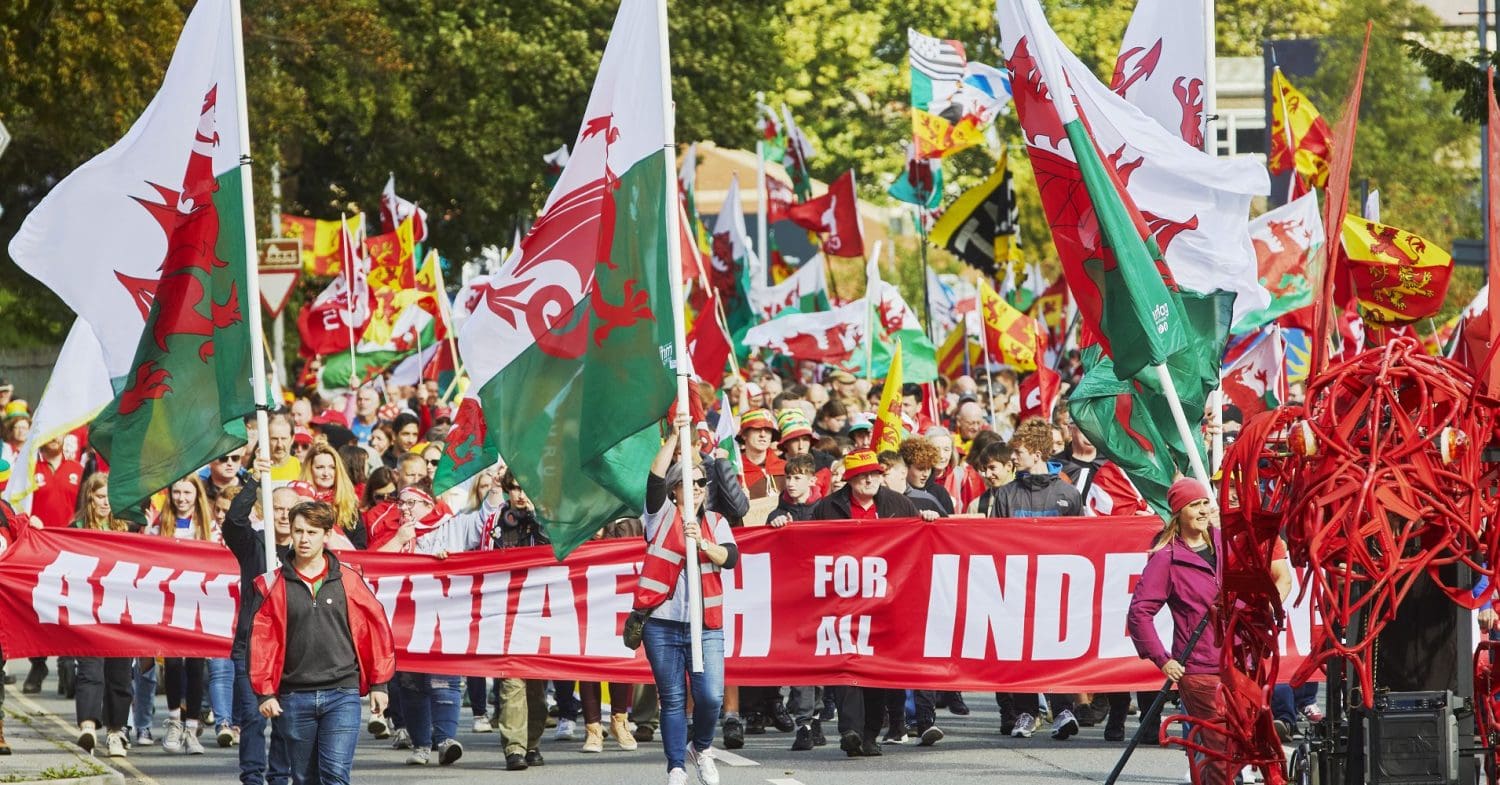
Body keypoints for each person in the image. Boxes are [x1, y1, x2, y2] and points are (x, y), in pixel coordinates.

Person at [252, 501, 395, 785]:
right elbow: (261, 642)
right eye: (298, 531)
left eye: (312, 532)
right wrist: (265, 692)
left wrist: (380, 685)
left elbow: (375, 630)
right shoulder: (270, 584)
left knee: (335, 774)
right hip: (294, 696)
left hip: (342, 693)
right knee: (305, 779)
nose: (304, 539)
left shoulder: (349, 580)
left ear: (326, 534)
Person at [629, 413, 737, 785]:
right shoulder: (659, 516)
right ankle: (676, 764)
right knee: (673, 698)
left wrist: (702, 543)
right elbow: (654, 479)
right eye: (688, 483)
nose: (696, 488)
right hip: (662, 622)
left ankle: (701, 746)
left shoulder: (717, 523)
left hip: (705, 625)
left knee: (710, 697)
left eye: (701, 483)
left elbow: (731, 557)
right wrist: (676, 436)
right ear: (676, 491)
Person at [808, 449, 924, 757]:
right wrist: (781, 522)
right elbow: (804, 544)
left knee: (875, 670)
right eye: (863, 475)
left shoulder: (899, 504)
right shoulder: (827, 508)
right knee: (846, 666)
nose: (870, 479)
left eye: (874, 473)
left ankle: (870, 734)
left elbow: (922, 542)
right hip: (842, 603)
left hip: (885, 604)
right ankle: (850, 730)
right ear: (850, 480)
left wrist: (928, 520)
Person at [1128, 479, 1229, 785]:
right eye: (1194, 505)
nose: (1202, 510)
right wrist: (1163, 659)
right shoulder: (1167, 558)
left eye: (1204, 503)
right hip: (1200, 668)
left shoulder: (1226, 544)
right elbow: (1139, 613)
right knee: (1219, 748)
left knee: (1242, 744)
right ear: (1178, 513)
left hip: (1240, 663)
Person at [223, 468, 298, 785]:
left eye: (289, 510)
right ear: (266, 510)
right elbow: (233, 524)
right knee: (253, 718)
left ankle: (280, 777)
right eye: (277, 508)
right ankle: (253, 778)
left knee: (286, 721)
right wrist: (254, 482)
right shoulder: (253, 544)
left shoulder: (305, 552)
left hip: (291, 651)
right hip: (250, 648)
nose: (283, 515)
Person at [69, 473, 134, 758]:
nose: (106, 503)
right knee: (90, 670)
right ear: (90, 498)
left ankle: (116, 732)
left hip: (120, 613)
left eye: (110, 497)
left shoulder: (128, 529)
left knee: (119, 675)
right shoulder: (77, 528)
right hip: (88, 611)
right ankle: (87, 727)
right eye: (100, 497)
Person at [158, 475, 216, 753]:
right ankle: (172, 722)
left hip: (199, 604)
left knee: (195, 667)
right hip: (168, 604)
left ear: (197, 495)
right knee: (172, 665)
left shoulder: (210, 527)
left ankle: (192, 729)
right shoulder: (158, 525)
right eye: (177, 492)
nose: (182, 498)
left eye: (187, 492)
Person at [299, 444, 365, 548]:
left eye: (332, 467)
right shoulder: (299, 499)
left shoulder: (348, 504)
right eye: (320, 467)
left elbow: (359, 547)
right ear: (310, 469)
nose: (326, 473)